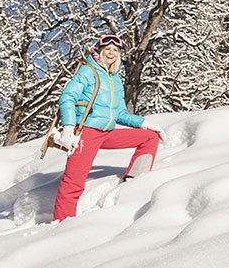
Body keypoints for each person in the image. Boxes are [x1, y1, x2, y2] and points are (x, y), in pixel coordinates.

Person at [52, 34, 166, 222]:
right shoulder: (88, 71)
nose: (111, 53)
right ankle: (60, 225)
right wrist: (68, 128)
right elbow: (67, 98)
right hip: (86, 133)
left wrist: (145, 124)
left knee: (149, 138)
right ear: (99, 51)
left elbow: (120, 114)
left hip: (107, 133)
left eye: (115, 50)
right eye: (108, 49)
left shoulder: (115, 80)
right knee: (73, 183)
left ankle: (133, 181)